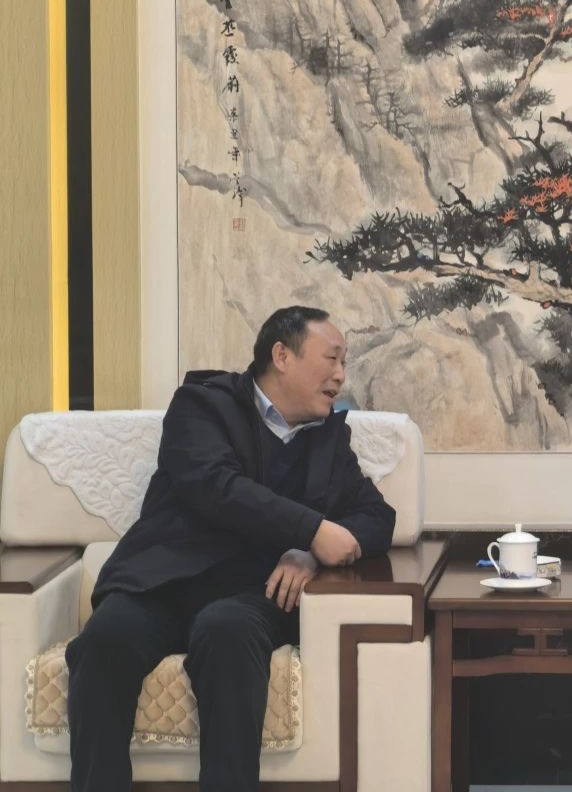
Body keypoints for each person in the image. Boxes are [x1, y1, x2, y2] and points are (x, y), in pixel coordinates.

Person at [66, 306, 395, 792]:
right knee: (104, 640)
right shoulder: (202, 406)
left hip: (251, 594)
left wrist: (310, 554)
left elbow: (377, 516)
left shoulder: (328, 439)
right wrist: (312, 530)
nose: (341, 375)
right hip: (162, 582)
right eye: (332, 358)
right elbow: (217, 487)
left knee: (226, 633)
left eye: (343, 363)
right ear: (282, 355)